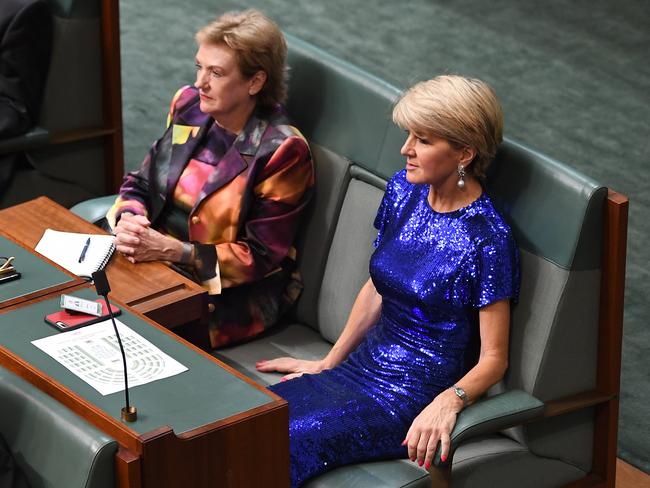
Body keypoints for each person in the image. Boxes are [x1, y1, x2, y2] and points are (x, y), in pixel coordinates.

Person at [257, 75, 520, 486]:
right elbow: (376, 287)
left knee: (282, 442)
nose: (406, 150)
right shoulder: (403, 190)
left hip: (409, 395)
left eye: (424, 140)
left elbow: (494, 358)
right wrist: (331, 361)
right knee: (245, 421)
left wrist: (447, 403)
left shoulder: (487, 238)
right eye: (408, 134)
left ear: (464, 153)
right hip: (361, 368)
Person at [106, 10, 313, 349]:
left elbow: (259, 257)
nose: (201, 82)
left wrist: (176, 251)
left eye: (216, 73)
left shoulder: (282, 151)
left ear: (255, 82)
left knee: (118, 337)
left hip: (225, 295)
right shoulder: (188, 104)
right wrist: (130, 218)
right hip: (151, 262)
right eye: (199, 67)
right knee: (70, 299)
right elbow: (141, 183)